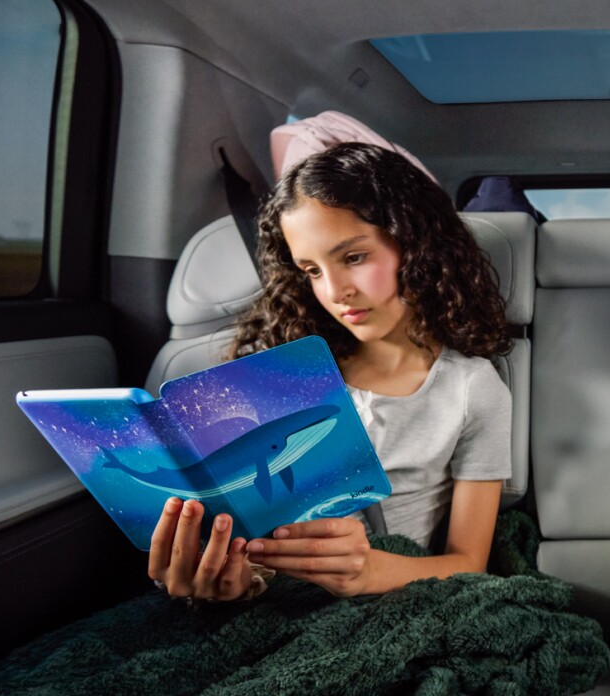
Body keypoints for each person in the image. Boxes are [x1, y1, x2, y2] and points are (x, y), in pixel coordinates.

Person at [149, 142, 513, 601]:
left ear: (417, 246)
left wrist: (368, 573)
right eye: (312, 271)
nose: (336, 290)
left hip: (386, 599)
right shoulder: (282, 373)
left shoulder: (471, 389)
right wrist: (237, 581)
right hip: (276, 605)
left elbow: (468, 564)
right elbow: (258, 538)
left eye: (354, 257)